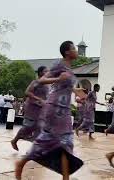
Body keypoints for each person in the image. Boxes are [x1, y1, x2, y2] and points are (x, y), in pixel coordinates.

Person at [15, 41, 84, 180]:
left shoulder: (70, 69)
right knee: (50, 140)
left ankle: (65, 178)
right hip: (54, 109)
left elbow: (64, 86)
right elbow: (42, 80)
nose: (77, 51)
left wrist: (77, 92)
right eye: (74, 49)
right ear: (67, 52)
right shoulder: (59, 65)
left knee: (66, 143)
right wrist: (58, 78)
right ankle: (22, 162)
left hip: (64, 110)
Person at [11, 66, 49, 151]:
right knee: (28, 127)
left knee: (40, 126)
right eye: (45, 71)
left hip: (41, 109)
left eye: (48, 71)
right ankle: (14, 140)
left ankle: (37, 148)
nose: (47, 73)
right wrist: (38, 99)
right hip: (32, 107)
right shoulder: (35, 82)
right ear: (40, 73)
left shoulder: (47, 84)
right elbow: (27, 92)